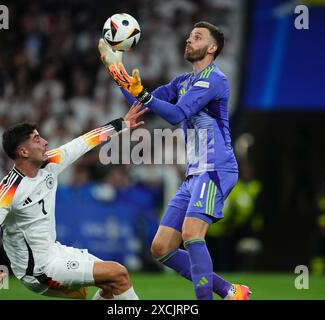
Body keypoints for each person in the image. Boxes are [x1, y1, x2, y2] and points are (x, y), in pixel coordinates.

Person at [99, 21, 250, 300]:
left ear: (212, 47)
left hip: (216, 168)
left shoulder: (215, 79)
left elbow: (177, 114)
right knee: (161, 248)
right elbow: (143, 102)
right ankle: (229, 291)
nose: (189, 40)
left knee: (192, 234)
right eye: (189, 35)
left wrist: (142, 92)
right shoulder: (182, 82)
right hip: (194, 174)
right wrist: (116, 71)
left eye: (197, 37)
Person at [0, 102, 146, 300]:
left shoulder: (50, 163)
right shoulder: (9, 190)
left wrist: (122, 124)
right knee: (118, 273)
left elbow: (83, 142)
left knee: (111, 283)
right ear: (23, 152)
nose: (45, 142)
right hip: (38, 271)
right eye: (37, 139)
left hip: (56, 252)